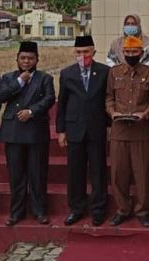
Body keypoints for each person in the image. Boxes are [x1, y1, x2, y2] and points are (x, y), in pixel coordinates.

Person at [0, 41, 55, 226]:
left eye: (30, 58)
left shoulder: (45, 78)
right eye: (23, 58)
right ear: (17, 59)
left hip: (36, 131)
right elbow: (1, 96)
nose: (27, 61)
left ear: (37, 59)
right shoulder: (8, 78)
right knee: (16, 175)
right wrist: (20, 81)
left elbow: (49, 98)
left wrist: (31, 111)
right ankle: (16, 212)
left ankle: (39, 211)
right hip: (13, 132)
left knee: (37, 173)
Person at [57, 35, 111, 227]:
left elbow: (108, 101)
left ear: (94, 52)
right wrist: (61, 130)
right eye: (79, 52)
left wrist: (109, 126)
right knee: (75, 171)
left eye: (86, 51)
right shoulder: (67, 73)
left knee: (98, 171)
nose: (82, 55)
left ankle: (98, 210)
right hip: (74, 129)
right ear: (74, 53)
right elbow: (61, 104)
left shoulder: (105, 72)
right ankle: (76, 209)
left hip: (96, 128)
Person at [105, 35, 149, 227]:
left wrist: (146, 113)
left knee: (142, 172)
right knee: (119, 173)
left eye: (134, 52)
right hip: (119, 130)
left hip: (140, 130)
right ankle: (122, 209)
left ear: (141, 53)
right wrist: (112, 112)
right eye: (127, 52)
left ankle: (143, 210)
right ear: (122, 53)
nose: (130, 55)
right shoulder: (114, 73)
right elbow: (109, 97)